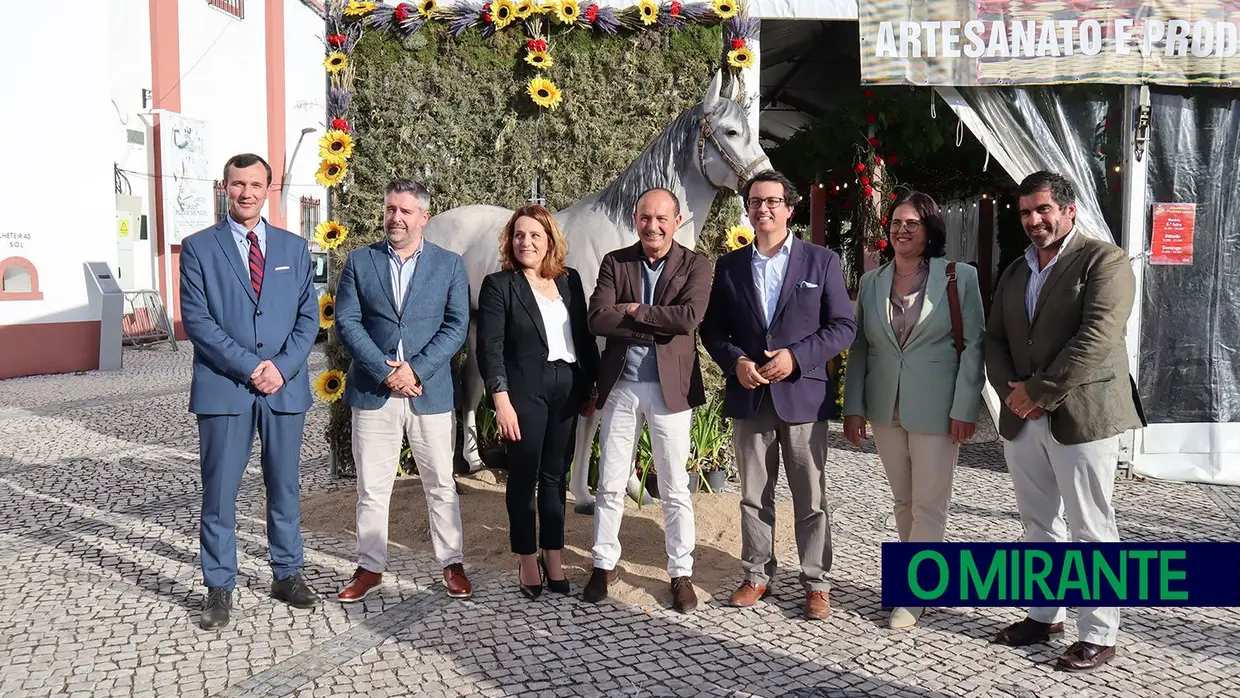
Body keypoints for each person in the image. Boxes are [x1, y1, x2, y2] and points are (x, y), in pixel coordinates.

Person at [985, 171, 1145, 672]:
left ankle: (1099, 633)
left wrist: (1037, 391)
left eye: (1043, 210)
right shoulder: (1015, 271)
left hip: (1082, 415)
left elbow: (1098, 336)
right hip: (1022, 416)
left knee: (1091, 526)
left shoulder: (1105, 260)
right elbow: (993, 338)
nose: (1034, 220)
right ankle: (1043, 615)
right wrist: (1011, 391)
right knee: (1038, 524)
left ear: (1068, 210)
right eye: (1026, 212)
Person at [700, 170, 856, 621]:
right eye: (755, 201)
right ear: (747, 209)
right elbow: (713, 330)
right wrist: (736, 363)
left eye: (772, 201)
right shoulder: (729, 266)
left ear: (790, 208)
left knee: (810, 496)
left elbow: (843, 326)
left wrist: (796, 357)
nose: (762, 209)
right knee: (753, 494)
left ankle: (816, 583)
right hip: (750, 395)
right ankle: (756, 575)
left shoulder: (820, 261)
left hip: (801, 394)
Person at [179, 153, 321, 630]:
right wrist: (249, 366)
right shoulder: (199, 248)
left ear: (269, 188)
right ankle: (219, 585)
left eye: (255, 184)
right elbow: (197, 321)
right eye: (238, 184)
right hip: (225, 388)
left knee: (284, 485)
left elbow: (308, 318)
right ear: (225, 188)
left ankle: (287, 573)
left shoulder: (294, 248)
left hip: (284, 388)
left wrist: (280, 368)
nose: (246, 193)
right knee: (219, 491)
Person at [841, 190, 985, 629]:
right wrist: (853, 407)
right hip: (887, 407)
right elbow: (861, 347)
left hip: (938, 408)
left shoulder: (958, 277)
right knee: (903, 500)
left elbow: (974, 345)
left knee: (930, 501)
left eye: (912, 223)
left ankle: (914, 592)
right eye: (896, 222)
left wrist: (966, 407)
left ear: (930, 230)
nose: (902, 229)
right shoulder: (872, 282)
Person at [332, 179, 473, 602]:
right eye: (391, 208)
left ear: (424, 218)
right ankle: (369, 567)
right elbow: (347, 321)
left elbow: (456, 325)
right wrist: (384, 370)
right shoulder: (360, 261)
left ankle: (451, 563)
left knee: (440, 484)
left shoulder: (448, 265)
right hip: (374, 392)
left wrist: (416, 370)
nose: (396, 217)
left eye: (405, 211)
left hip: (427, 391)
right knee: (373, 486)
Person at [582, 187, 712, 613]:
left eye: (661, 219)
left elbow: (688, 318)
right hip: (621, 385)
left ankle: (680, 571)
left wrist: (635, 310)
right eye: (644, 218)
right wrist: (651, 322)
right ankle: (604, 563)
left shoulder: (696, 265)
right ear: (635, 220)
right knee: (611, 482)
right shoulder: (615, 261)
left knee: (675, 486)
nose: (652, 226)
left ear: (677, 222)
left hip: (670, 389)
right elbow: (598, 317)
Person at [475, 204, 599, 600]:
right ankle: (527, 557)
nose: (525, 242)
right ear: (510, 241)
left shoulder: (569, 281)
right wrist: (501, 401)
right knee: (524, 477)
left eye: (534, 235)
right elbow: (489, 349)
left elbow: (583, 335)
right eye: (518, 235)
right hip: (524, 391)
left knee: (555, 478)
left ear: (550, 241)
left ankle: (554, 554)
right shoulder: (499, 285)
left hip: (568, 387)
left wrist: (593, 386)